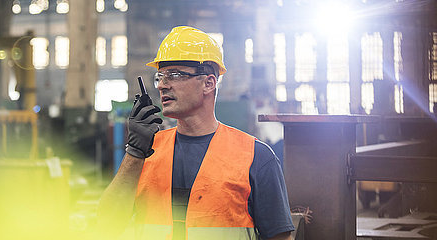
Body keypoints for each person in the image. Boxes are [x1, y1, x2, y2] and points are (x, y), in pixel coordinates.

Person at [98, 26, 294, 240]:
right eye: (160, 77)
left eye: (174, 75)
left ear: (209, 83)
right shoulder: (146, 152)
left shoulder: (255, 157)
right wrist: (135, 151)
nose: (162, 85)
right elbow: (106, 226)